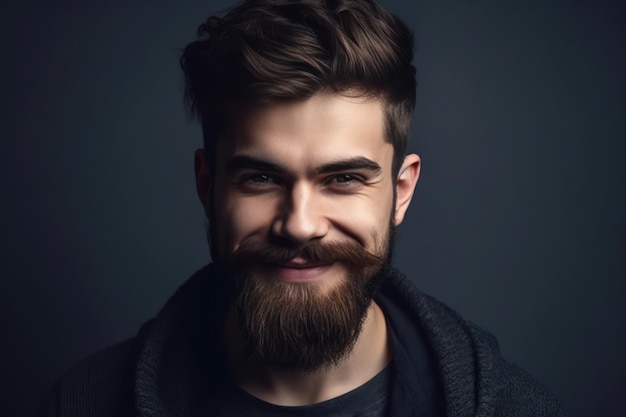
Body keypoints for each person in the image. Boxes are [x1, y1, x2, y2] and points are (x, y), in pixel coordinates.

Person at [42, 0, 566, 416]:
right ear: (208, 185)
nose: (299, 224)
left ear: (401, 192)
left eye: (343, 179)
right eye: (261, 178)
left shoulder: (514, 406)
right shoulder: (82, 404)